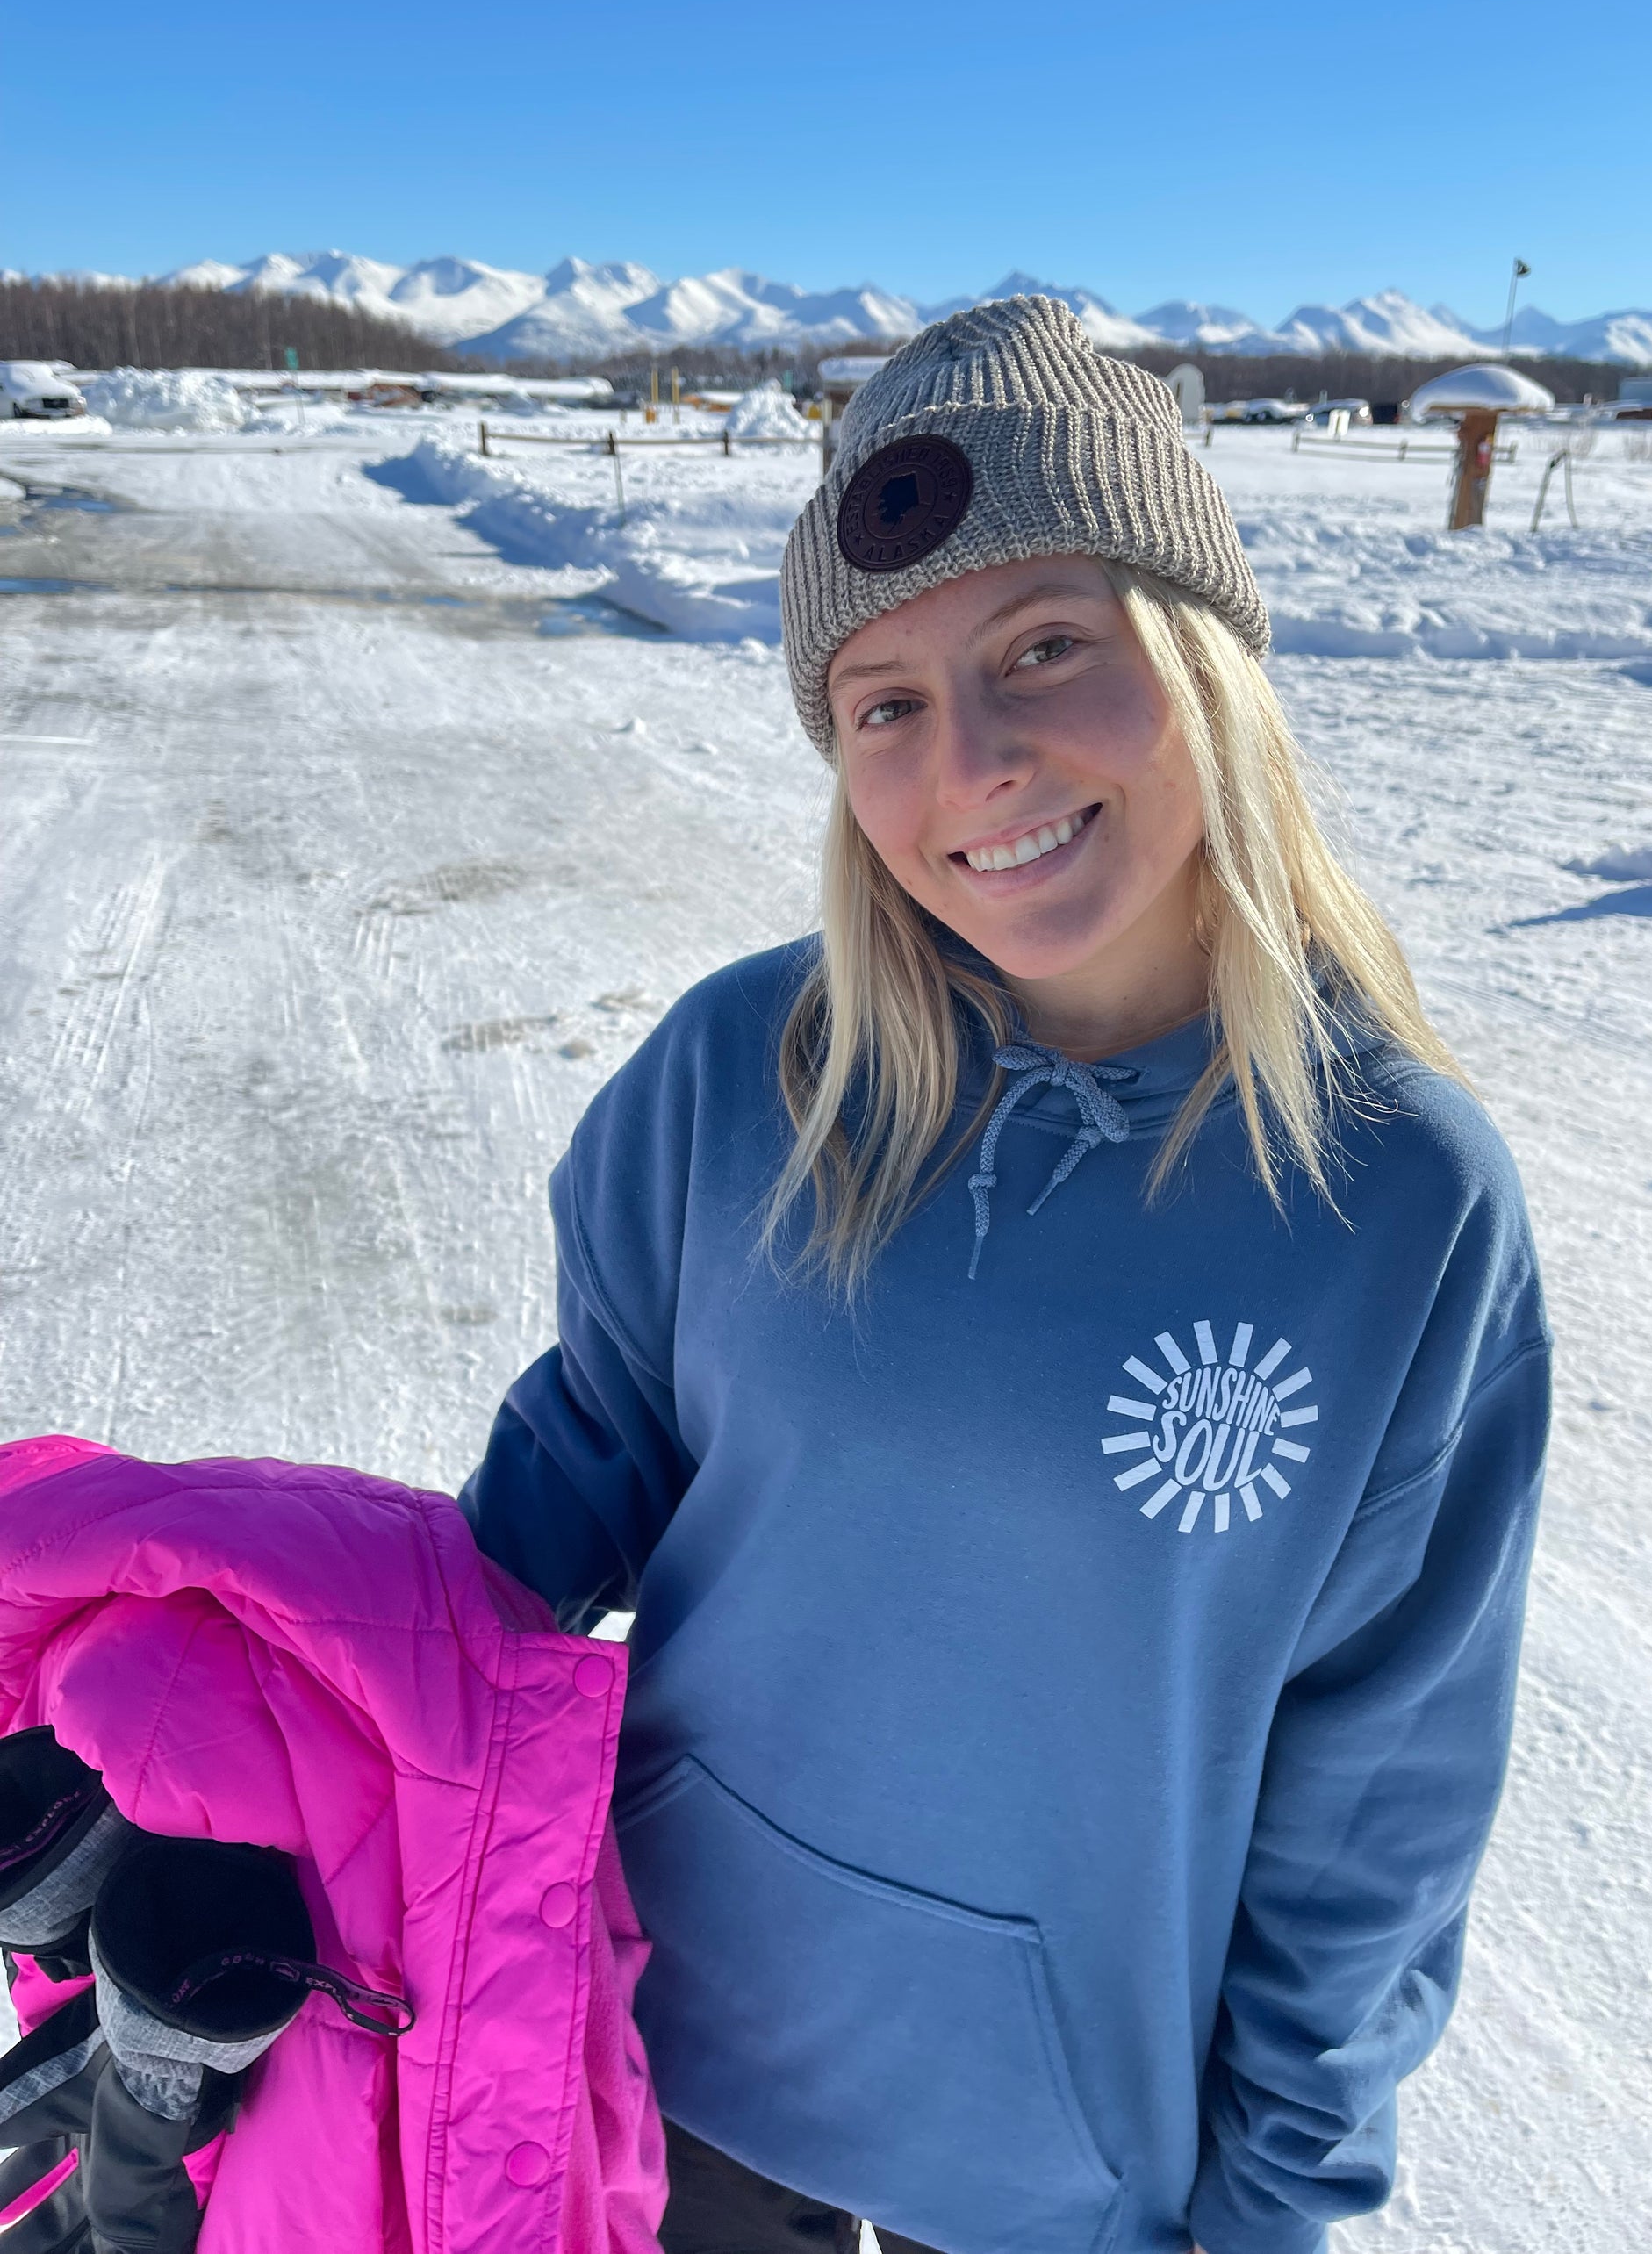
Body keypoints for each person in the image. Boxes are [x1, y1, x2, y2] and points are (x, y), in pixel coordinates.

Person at [461, 297, 1550, 2254]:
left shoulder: (1395, 1200)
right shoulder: (741, 1077)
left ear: (1200, 660)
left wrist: (1274, 2198)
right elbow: (549, 1506)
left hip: (1069, 2168)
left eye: (1044, 645)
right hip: (664, 2049)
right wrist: (257, 1707)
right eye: (881, 702)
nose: (971, 761)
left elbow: (1374, 1796)